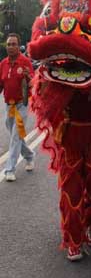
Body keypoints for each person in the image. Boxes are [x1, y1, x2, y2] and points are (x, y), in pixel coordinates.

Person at [0, 33, 34, 181]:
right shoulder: (3, 64)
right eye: (9, 44)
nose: (11, 47)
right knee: (17, 136)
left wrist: (28, 76)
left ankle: (9, 169)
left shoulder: (25, 62)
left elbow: (34, 82)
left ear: (18, 46)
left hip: (22, 104)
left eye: (14, 44)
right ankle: (30, 155)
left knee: (15, 136)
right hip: (9, 106)